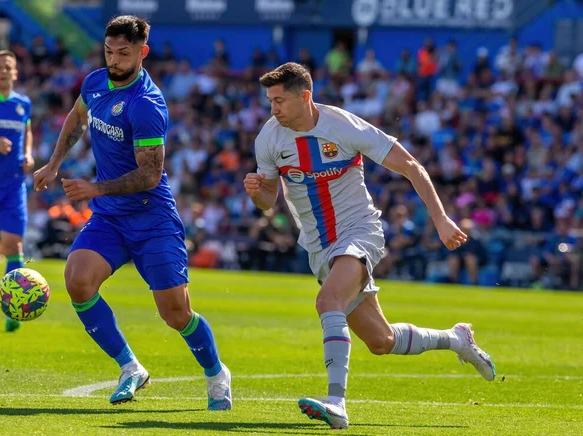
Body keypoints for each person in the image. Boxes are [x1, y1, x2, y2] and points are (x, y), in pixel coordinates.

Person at [244, 62, 496, 429]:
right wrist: (257, 192)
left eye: (280, 100)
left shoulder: (344, 126)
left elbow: (410, 165)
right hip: (318, 247)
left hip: (359, 231)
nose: (274, 109)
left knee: (327, 302)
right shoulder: (269, 138)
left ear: (305, 96)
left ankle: (336, 403)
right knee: (381, 340)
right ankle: (456, 339)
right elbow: (267, 202)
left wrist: (441, 219)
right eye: (270, 101)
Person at [33, 15, 231, 409]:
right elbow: (77, 117)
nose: (114, 59)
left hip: (151, 218)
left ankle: (216, 374)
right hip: (110, 217)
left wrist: (94, 187)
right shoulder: (94, 82)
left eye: (124, 53)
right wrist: (54, 164)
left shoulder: (146, 105)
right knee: (78, 280)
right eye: (109, 51)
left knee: (176, 314)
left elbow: (150, 173)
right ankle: (130, 368)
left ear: (143, 52)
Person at [0, 50, 34, 333]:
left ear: (15, 73)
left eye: (9, 67)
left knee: (14, 245)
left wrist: (27, 154)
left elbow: (27, 132)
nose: (4, 71)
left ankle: (14, 308)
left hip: (12, 186)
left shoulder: (23, 103)